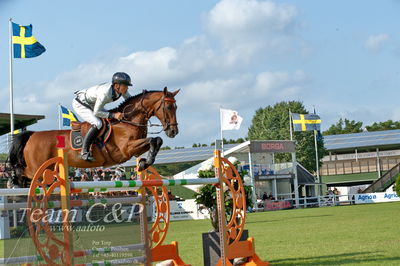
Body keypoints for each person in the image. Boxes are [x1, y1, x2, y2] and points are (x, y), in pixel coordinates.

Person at [72, 72, 133, 162]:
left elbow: (130, 101)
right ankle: (84, 152)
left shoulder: (121, 89)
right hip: (80, 104)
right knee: (98, 123)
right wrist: (114, 115)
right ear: (116, 86)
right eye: (126, 86)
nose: (127, 88)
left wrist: (142, 97)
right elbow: (97, 112)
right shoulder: (105, 93)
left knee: (109, 117)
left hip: (93, 103)